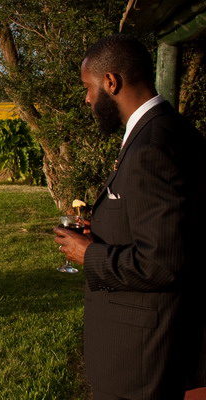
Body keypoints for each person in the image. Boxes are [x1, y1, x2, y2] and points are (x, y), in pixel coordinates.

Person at [54, 34, 206, 399]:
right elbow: (171, 226)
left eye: (88, 87)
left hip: (141, 353)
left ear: (111, 82)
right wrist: (105, 226)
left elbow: (163, 262)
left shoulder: (151, 147)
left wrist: (88, 254)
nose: (87, 99)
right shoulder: (171, 128)